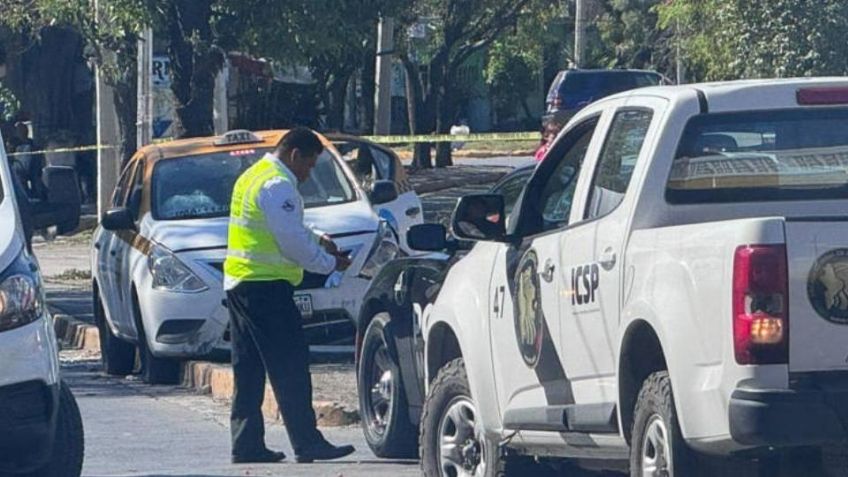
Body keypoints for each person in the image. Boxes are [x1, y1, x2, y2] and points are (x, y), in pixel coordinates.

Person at [223, 128, 355, 464]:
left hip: (240, 283)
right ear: (295, 155)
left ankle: (246, 444)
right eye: (309, 166)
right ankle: (307, 442)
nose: (308, 174)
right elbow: (290, 241)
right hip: (266, 287)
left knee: (248, 369)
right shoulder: (279, 184)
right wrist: (329, 263)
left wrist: (318, 236)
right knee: (291, 365)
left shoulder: (252, 175)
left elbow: (282, 225)